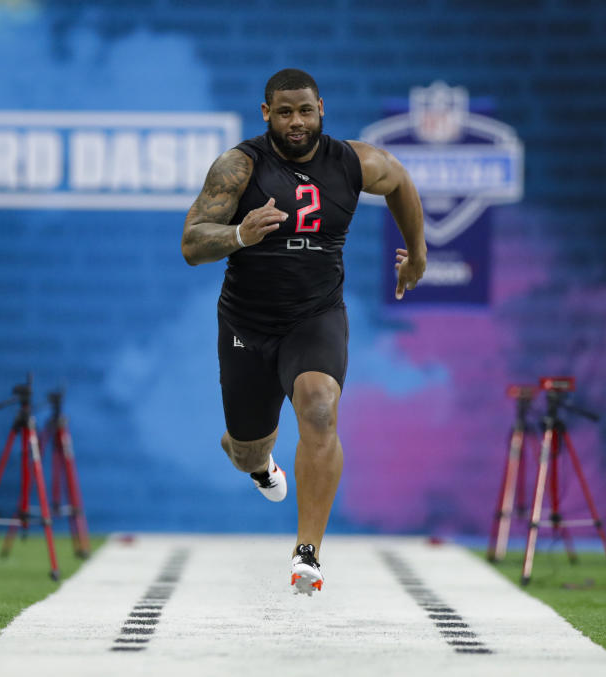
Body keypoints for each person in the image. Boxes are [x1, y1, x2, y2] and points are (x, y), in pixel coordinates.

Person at [181, 68, 427, 595]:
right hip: (248, 322)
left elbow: (402, 182)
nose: (296, 121)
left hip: (315, 316)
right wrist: (239, 234)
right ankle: (258, 462)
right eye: (284, 112)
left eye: (305, 110)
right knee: (247, 447)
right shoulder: (239, 166)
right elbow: (192, 243)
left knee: (319, 405)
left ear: (322, 110)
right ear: (266, 114)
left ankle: (307, 552)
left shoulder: (354, 161)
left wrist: (418, 255)